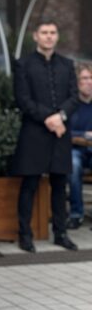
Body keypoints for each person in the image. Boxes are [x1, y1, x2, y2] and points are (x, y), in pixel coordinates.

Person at [12, 18, 79, 253]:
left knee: (60, 185)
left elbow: (74, 97)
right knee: (29, 184)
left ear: (57, 36)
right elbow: (23, 99)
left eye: (52, 32)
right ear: (36, 36)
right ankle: (25, 234)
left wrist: (60, 116)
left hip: (60, 133)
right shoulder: (23, 64)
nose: (49, 36)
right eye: (44, 32)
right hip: (34, 132)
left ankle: (61, 233)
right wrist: (50, 119)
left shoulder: (67, 64)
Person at [67, 62, 92, 229]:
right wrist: (84, 136)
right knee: (73, 164)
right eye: (85, 78)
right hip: (76, 150)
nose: (89, 82)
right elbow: (66, 132)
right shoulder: (71, 105)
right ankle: (76, 214)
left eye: (91, 78)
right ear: (77, 83)